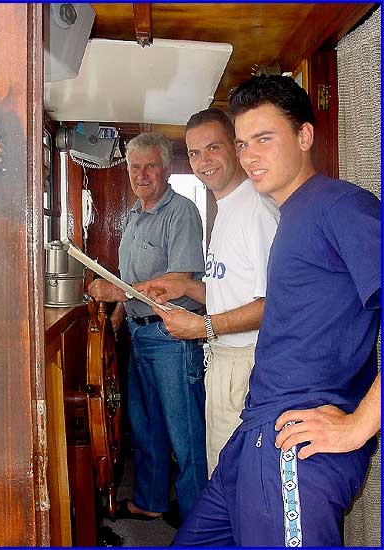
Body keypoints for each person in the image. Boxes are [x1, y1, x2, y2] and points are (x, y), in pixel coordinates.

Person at [172, 75, 381, 547]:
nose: (249, 156)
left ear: (304, 136)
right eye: (243, 143)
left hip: (296, 440)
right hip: (253, 430)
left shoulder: (340, 206)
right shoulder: (291, 216)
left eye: (264, 138)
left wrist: (359, 425)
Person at [136, 108, 279, 477]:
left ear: (236, 146)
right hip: (223, 359)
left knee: (237, 477)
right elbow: (233, 291)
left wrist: (203, 327)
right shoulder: (226, 208)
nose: (203, 162)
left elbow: (274, 305)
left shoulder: (257, 210)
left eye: (213, 148)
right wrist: (185, 287)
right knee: (221, 472)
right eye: (195, 153)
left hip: (246, 364)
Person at [88, 132, 208, 525]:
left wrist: (116, 291)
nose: (141, 175)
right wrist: (117, 316)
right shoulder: (134, 216)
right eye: (134, 167)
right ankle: (151, 500)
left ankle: (196, 520)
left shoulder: (182, 212)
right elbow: (130, 277)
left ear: (167, 169)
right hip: (138, 333)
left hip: (172, 336)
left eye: (150, 166)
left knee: (185, 435)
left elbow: (179, 279)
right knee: (145, 427)